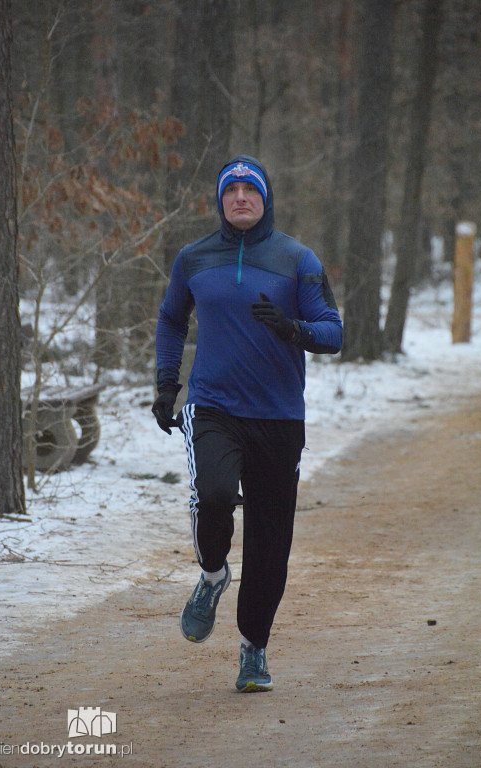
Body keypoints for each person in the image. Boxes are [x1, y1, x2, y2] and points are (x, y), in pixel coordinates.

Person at [152, 155, 343, 692]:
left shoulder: (297, 259)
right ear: (219, 199)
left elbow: (334, 332)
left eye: (250, 190)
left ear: (265, 199)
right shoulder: (193, 258)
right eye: (230, 189)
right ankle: (213, 574)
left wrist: (291, 328)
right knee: (212, 493)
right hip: (213, 405)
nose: (240, 197)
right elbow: (171, 318)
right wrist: (168, 384)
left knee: (269, 543)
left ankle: (253, 651)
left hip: (279, 416)